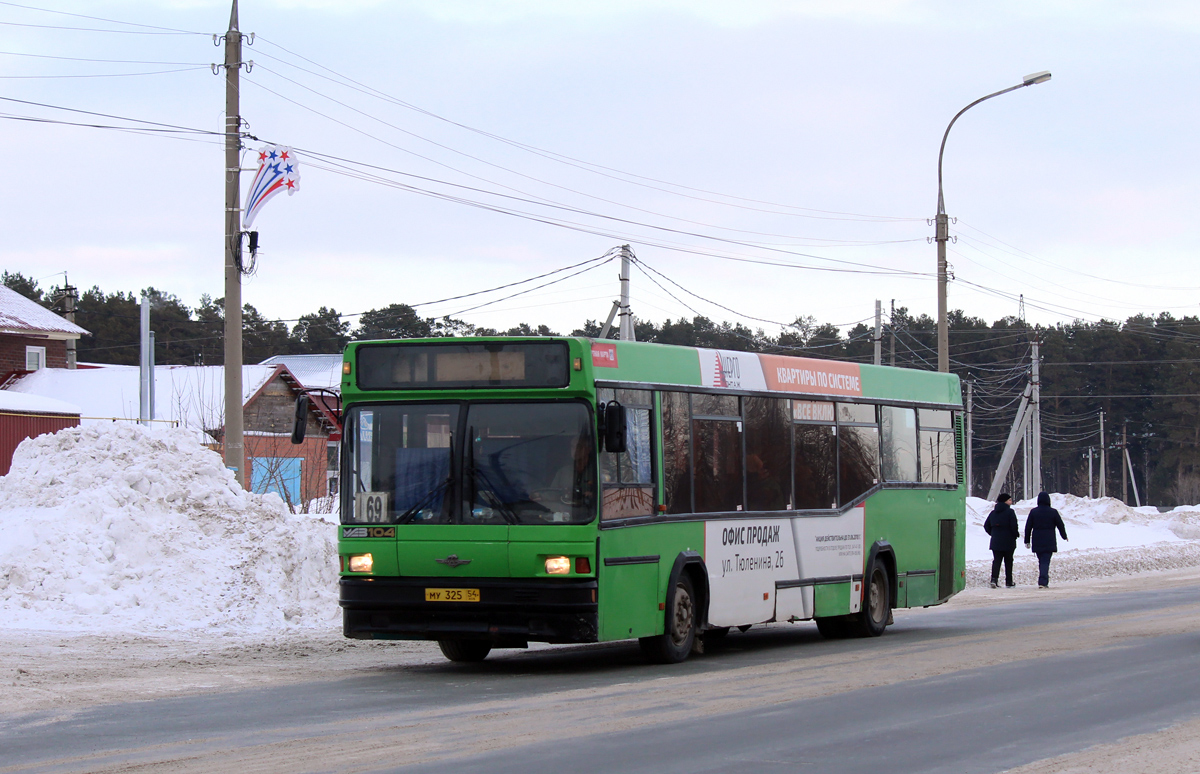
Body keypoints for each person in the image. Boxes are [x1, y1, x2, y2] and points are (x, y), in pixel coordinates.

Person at [1024, 491, 1068, 589]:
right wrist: (1064, 536)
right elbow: (1060, 525)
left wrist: (1027, 540)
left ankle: (1043, 580)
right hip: (1049, 539)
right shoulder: (1053, 512)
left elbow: (1028, 527)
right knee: (1045, 561)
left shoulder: (1033, 512)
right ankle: (1043, 581)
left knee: (1041, 560)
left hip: (1037, 539)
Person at [983, 493, 1019, 588]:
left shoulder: (993, 513)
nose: (1011, 501)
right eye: (1009, 500)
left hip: (996, 540)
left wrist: (994, 533)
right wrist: (1015, 535)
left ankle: (994, 580)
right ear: (1005, 501)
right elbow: (1014, 526)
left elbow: (986, 525)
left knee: (997, 561)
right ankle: (1009, 581)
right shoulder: (1010, 512)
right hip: (1008, 540)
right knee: (1009, 561)